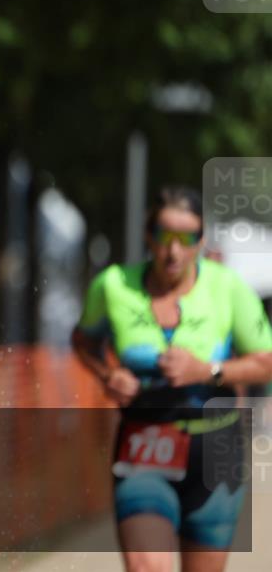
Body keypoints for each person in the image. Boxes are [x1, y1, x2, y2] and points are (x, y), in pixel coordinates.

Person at [72, 186, 272, 572]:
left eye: (187, 238)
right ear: (148, 235)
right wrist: (108, 374)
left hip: (216, 451)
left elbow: (267, 361)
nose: (174, 251)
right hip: (144, 445)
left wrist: (208, 371)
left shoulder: (228, 288)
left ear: (202, 240)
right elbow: (83, 340)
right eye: (165, 236)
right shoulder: (113, 285)